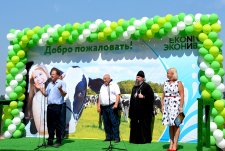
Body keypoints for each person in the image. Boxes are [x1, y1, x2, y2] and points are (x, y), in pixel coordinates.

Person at [38, 67, 67, 147]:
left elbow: (64, 94)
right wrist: (41, 89)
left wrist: (60, 89)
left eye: (53, 74)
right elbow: (46, 94)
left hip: (58, 106)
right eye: (51, 74)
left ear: (58, 75)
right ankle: (50, 140)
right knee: (50, 124)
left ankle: (58, 141)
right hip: (50, 106)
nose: (52, 75)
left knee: (58, 124)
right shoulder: (50, 84)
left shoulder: (62, 83)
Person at [129, 70, 155, 144]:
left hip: (144, 112)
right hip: (135, 111)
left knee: (143, 126)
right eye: (136, 77)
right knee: (134, 125)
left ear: (143, 78)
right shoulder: (134, 87)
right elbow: (131, 99)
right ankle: (134, 140)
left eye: (139, 77)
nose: (137, 78)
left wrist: (143, 96)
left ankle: (144, 140)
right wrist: (130, 112)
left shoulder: (147, 86)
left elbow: (151, 97)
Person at [161, 68, 184, 151]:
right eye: (167, 73)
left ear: (173, 74)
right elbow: (163, 95)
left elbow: (182, 95)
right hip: (167, 106)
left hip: (176, 106)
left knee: (176, 125)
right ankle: (171, 143)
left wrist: (181, 107)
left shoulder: (179, 83)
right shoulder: (165, 83)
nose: (167, 75)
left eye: (169, 73)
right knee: (170, 125)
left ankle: (175, 144)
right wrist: (162, 105)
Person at [26, 65, 50, 135]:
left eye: (40, 74)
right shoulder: (37, 97)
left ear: (47, 74)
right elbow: (42, 129)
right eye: (35, 77)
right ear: (34, 84)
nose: (39, 78)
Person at [97, 74, 121, 143]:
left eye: (105, 79)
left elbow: (118, 95)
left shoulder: (114, 85)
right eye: (103, 79)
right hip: (104, 107)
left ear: (109, 78)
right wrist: (98, 106)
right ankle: (108, 137)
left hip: (112, 106)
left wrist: (116, 104)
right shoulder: (102, 86)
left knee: (114, 122)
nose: (104, 80)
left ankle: (116, 138)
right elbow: (100, 96)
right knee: (106, 122)